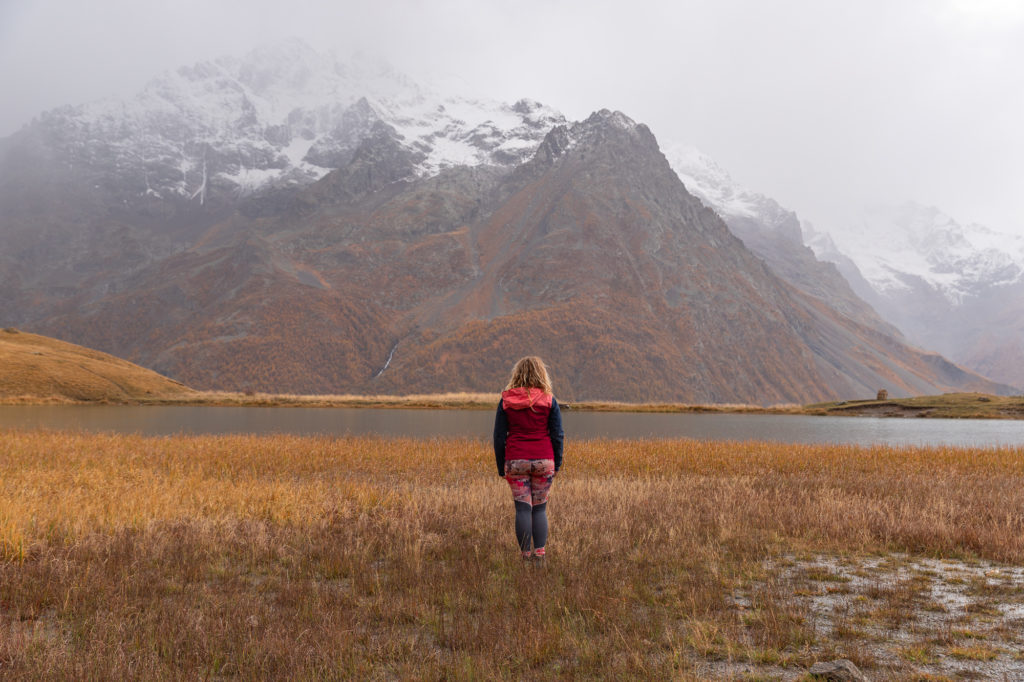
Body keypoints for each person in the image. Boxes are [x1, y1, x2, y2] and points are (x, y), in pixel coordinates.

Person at [493, 356, 564, 561]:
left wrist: (501, 466)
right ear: (542, 374)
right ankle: (539, 556)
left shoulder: (506, 400)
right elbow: (558, 434)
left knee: (523, 509)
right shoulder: (549, 400)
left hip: (516, 461)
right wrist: (557, 463)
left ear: (517, 374)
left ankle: (525, 556)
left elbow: (499, 437)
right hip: (544, 460)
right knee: (540, 509)